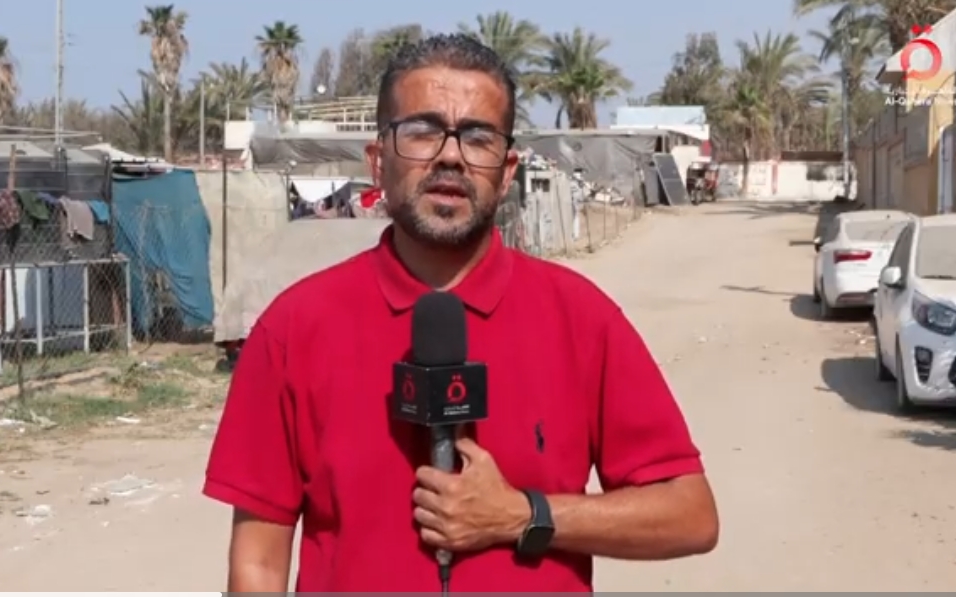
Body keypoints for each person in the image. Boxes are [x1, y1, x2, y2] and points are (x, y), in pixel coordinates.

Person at [203, 33, 718, 592]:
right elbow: (257, 564)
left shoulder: (582, 319)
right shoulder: (294, 328)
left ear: (508, 170)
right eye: (422, 131)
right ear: (378, 161)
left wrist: (525, 515)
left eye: (477, 137)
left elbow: (689, 514)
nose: (450, 155)